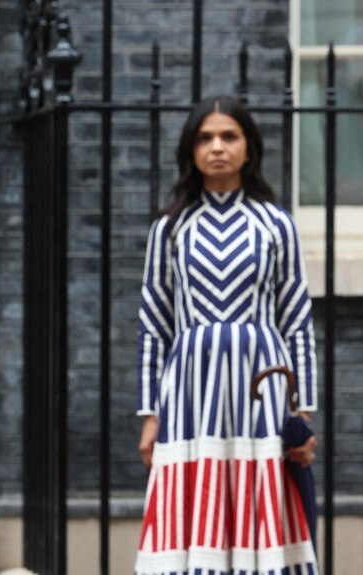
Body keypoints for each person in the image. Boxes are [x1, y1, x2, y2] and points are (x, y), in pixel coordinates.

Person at [134, 95, 319, 575]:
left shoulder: (277, 225)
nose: (217, 147)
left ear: (249, 147)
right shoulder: (169, 228)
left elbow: (296, 317)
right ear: (191, 150)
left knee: (260, 492)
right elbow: (154, 322)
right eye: (205, 137)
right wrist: (150, 414)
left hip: (262, 382)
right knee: (192, 498)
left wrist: (302, 411)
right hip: (190, 383)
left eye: (229, 136)